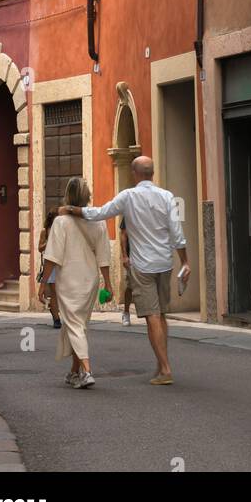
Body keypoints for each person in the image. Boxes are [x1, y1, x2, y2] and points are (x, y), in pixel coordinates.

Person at [60, 155, 189, 386]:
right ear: (152, 173)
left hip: (142, 266)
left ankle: (165, 369)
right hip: (165, 264)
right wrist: (185, 262)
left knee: (152, 316)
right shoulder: (168, 196)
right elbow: (177, 234)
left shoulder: (128, 196)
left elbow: (100, 213)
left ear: (135, 174)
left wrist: (70, 208)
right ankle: (161, 364)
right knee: (161, 315)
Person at [41, 176, 113, 389]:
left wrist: (43, 283)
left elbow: (52, 257)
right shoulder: (98, 221)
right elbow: (104, 256)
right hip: (89, 278)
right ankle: (74, 371)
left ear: (68, 196)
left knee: (73, 324)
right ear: (87, 196)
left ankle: (87, 371)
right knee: (78, 325)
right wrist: (107, 283)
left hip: (69, 279)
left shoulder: (61, 223)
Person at [37, 211, 62, 329]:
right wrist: (48, 243)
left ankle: (58, 314)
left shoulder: (62, 230)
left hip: (61, 263)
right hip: (50, 264)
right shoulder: (45, 231)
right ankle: (56, 318)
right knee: (54, 293)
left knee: (61, 292)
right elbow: (39, 248)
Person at [119, 216, 134, 327]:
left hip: (148, 255)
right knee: (130, 285)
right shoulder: (129, 212)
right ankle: (126, 312)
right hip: (132, 255)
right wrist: (124, 256)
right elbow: (123, 234)